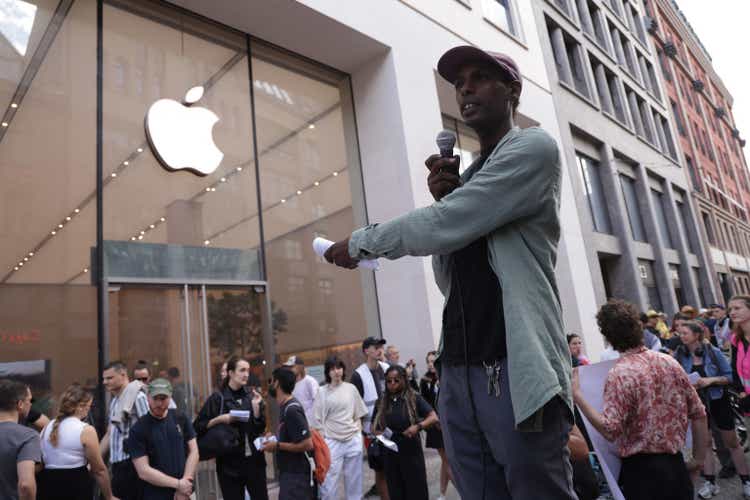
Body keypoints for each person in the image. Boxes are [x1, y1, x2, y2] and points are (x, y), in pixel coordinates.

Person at [325, 45, 576, 499]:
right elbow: (450, 273)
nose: (466, 89)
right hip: (459, 372)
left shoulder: (532, 148)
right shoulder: (473, 175)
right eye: (459, 84)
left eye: (480, 78)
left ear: (512, 90)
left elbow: (447, 224)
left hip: (512, 367)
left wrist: (363, 242)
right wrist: (447, 199)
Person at [572, 299, 708, 500]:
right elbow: (699, 413)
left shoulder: (620, 373)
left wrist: (578, 396)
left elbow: (610, 429)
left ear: (607, 335)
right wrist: (698, 458)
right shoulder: (668, 362)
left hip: (643, 473)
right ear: (638, 326)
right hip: (676, 464)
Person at [672, 320, 750, 498]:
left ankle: (746, 481)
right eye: (680, 333)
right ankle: (710, 483)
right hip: (696, 404)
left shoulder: (713, 352)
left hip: (718, 400)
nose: (681, 336)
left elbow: (730, 376)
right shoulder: (679, 355)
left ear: (696, 335)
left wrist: (710, 380)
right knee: (705, 443)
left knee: (731, 442)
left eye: (685, 333)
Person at [194, 356, 268, 500]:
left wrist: (257, 410)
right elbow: (198, 427)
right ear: (231, 373)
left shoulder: (252, 395)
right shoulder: (218, 398)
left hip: (254, 462)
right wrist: (220, 419)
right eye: (242, 370)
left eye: (248, 370)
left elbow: (259, 428)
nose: (246, 374)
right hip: (229, 465)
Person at [372, 365, 438, 500]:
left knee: (416, 490)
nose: (392, 384)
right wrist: (381, 435)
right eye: (389, 381)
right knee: (396, 492)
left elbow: (433, 417)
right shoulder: (382, 401)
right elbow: (374, 427)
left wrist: (418, 426)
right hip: (390, 453)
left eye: (396, 380)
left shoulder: (413, 397)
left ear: (404, 379)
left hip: (411, 452)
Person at [127, 378, 198, 500]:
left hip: (186, 490)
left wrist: (186, 482)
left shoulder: (180, 418)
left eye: (163, 398)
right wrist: (178, 484)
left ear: (170, 397)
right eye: (155, 399)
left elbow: (194, 451)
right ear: (148, 397)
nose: (159, 404)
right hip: (155, 494)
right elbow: (143, 470)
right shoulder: (138, 429)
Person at [38, 384, 112, 500]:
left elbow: (41, 461)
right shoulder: (85, 429)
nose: (88, 411)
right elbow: (99, 470)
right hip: (76, 485)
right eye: (89, 407)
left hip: (48, 485)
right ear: (81, 407)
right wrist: (109, 497)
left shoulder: (47, 427)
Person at [312, 356, 368, 500]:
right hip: (331, 441)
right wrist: (323, 441)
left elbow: (359, 414)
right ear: (327, 372)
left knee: (355, 483)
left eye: (339, 368)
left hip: (352, 439)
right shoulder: (322, 391)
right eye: (332, 369)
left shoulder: (351, 388)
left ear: (343, 370)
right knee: (328, 485)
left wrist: (358, 436)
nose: (336, 372)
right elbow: (316, 421)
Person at [262, 367, 314, 500]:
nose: (269, 385)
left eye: (271, 381)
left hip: (296, 477)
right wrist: (274, 438)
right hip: (289, 475)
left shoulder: (291, 409)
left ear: (277, 383)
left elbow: (307, 444)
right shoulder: (285, 407)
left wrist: (277, 445)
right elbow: (291, 436)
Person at [100, 360, 149, 500]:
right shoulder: (115, 400)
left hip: (133, 464)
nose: (105, 382)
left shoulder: (138, 397)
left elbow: (149, 430)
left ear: (123, 375)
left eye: (109, 378)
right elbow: (110, 433)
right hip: (117, 465)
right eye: (104, 378)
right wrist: (95, 460)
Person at [350, 336, 390, 499]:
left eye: (381, 346)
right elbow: (355, 409)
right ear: (366, 351)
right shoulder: (358, 375)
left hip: (392, 429)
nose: (380, 349)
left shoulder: (387, 368)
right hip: (372, 434)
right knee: (381, 472)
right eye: (376, 346)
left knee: (393, 469)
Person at [419, 351, 452, 500]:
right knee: (446, 459)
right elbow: (424, 404)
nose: (431, 364)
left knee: (447, 461)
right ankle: (463, 491)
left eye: (433, 361)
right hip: (435, 424)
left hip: (449, 423)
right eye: (429, 362)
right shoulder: (425, 380)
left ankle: (443, 493)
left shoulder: (446, 374)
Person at [0, 380, 40, 500]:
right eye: (29, 400)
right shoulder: (27, 436)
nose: (31, 404)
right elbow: (26, 485)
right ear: (20, 404)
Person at [286, 356, 319, 425]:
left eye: (292, 366)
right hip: (297, 423)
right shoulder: (290, 384)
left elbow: (317, 402)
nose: (289, 369)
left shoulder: (310, 381)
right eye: (289, 367)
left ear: (300, 367)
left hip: (311, 424)